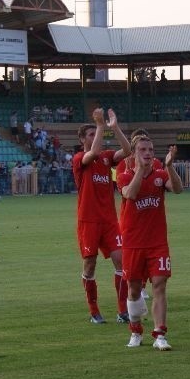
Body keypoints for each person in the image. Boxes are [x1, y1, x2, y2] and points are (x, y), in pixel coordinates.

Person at [117, 136, 182, 350]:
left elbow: (178, 188)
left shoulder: (160, 175)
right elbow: (132, 194)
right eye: (143, 149)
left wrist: (170, 166)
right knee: (134, 290)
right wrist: (138, 171)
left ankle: (160, 334)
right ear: (134, 153)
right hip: (133, 243)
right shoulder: (124, 176)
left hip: (157, 244)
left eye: (151, 149)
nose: (148, 153)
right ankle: (135, 330)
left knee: (160, 286)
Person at [72, 108, 132, 324]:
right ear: (82, 139)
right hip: (88, 221)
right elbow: (93, 153)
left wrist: (114, 128)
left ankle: (122, 309)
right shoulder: (80, 158)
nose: (95, 137)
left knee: (121, 261)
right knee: (89, 265)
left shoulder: (106, 158)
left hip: (109, 221)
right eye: (90, 134)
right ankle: (94, 310)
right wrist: (99, 125)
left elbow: (126, 150)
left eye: (95, 134)